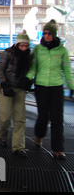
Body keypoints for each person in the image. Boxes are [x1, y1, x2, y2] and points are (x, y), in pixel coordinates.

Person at [25, 19, 74, 160]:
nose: (46, 35)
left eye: (49, 33)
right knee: (43, 116)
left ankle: (58, 149)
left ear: (54, 34)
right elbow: (33, 68)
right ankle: (39, 135)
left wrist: (71, 86)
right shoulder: (38, 49)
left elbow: (67, 70)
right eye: (44, 33)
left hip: (56, 87)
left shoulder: (62, 51)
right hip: (41, 87)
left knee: (57, 118)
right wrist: (28, 79)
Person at [0, 30, 32, 157]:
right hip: (6, 87)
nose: (23, 48)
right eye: (21, 45)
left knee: (20, 118)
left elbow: (31, 70)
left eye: (26, 46)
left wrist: (28, 81)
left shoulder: (28, 56)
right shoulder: (7, 53)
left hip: (19, 89)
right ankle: (2, 135)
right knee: (5, 117)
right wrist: (4, 85)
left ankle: (18, 147)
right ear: (16, 45)